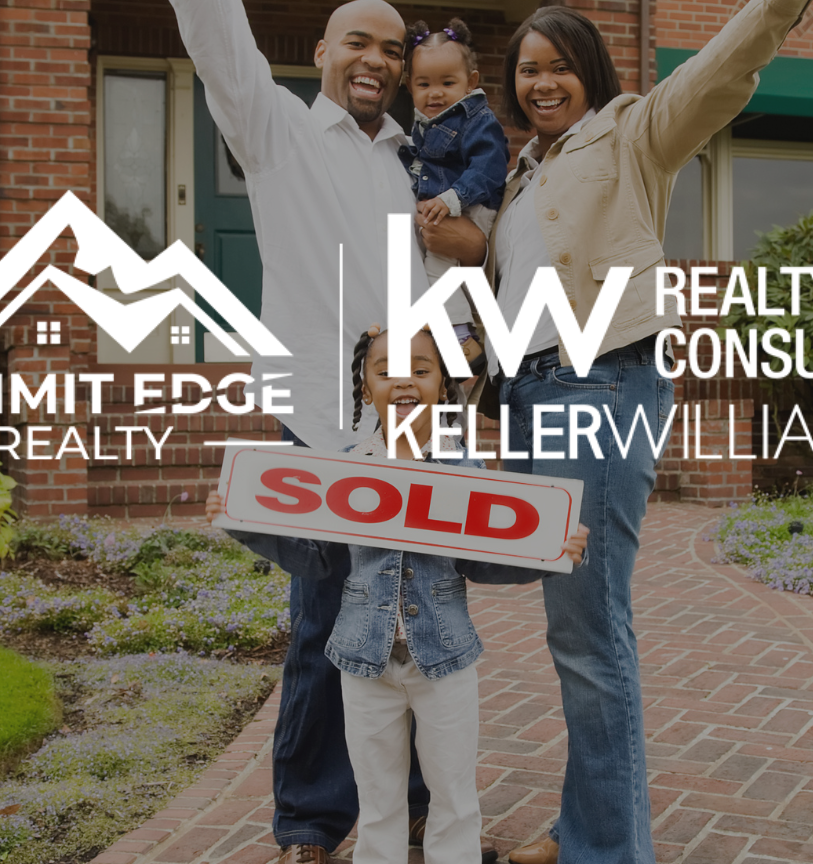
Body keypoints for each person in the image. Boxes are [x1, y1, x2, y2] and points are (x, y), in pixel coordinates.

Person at [423, 0, 813, 864]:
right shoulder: (523, 178)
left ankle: (607, 849)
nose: (541, 81)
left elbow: (719, 72)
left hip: (598, 385)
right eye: (526, 69)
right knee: (550, 603)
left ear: (591, 73)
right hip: (531, 395)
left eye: (558, 64)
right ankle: (589, 831)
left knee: (588, 625)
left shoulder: (633, 134)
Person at [163, 0, 491, 864]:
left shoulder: (414, 164)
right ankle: (312, 829)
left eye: (394, 50)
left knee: (422, 626)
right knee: (323, 632)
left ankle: (424, 828)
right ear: (321, 50)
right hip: (321, 418)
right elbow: (211, 26)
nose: (380, 60)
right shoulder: (275, 135)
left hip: (416, 420)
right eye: (360, 41)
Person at [208, 325, 588, 864]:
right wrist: (243, 522)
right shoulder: (343, 467)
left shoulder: (464, 471)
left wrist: (552, 554)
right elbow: (315, 559)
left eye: (421, 369)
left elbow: (482, 561)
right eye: (385, 371)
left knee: (453, 797)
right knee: (378, 799)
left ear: (443, 386)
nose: (403, 381)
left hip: (445, 659)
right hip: (364, 660)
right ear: (364, 387)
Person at [400, 18, 512, 347]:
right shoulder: (425, 125)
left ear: (470, 82)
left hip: (473, 206)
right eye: (424, 84)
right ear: (409, 86)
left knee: (438, 269)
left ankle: (462, 338)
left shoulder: (476, 119)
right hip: (454, 207)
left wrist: (452, 199)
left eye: (447, 82)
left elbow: (490, 166)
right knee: (440, 270)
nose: (435, 92)